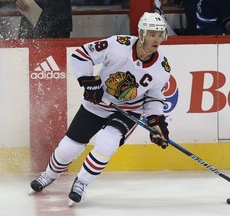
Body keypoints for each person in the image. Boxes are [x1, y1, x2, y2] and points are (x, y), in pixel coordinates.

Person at [30, 12, 171, 206]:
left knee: (107, 143)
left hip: (129, 111)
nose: (156, 39)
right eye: (152, 34)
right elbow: (81, 55)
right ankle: (49, 175)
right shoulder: (118, 45)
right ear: (141, 33)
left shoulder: (162, 68)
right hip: (97, 103)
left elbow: (154, 98)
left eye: (160, 34)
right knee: (67, 149)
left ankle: (82, 182)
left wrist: (155, 123)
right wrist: (90, 83)